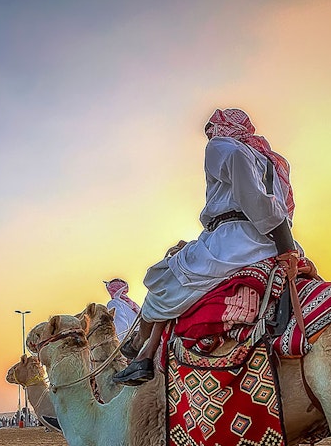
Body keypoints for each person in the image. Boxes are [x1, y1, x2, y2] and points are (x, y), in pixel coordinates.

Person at [113, 108, 304, 385]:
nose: (209, 135)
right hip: (274, 240)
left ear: (222, 128)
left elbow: (252, 200)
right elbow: (273, 208)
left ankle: (141, 352)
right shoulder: (271, 160)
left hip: (236, 243)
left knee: (159, 280)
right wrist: (286, 246)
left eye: (211, 129)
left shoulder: (223, 146)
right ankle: (145, 354)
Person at [104, 278, 140, 343]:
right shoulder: (132, 305)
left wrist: (120, 344)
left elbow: (121, 325)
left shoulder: (114, 303)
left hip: (129, 342)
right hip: (140, 338)